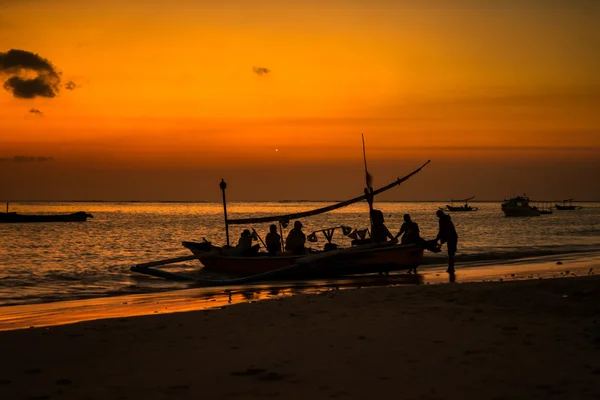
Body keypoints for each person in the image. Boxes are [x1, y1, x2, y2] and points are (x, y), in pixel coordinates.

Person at [436, 210, 458, 274]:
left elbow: (441, 230)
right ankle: (451, 267)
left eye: (438, 215)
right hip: (452, 237)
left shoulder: (443, 220)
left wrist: (437, 238)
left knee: (451, 253)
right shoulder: (447, 220)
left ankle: (451, 268)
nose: (438, 217)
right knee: (451, 253)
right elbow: (443, 231)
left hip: (451, 237)